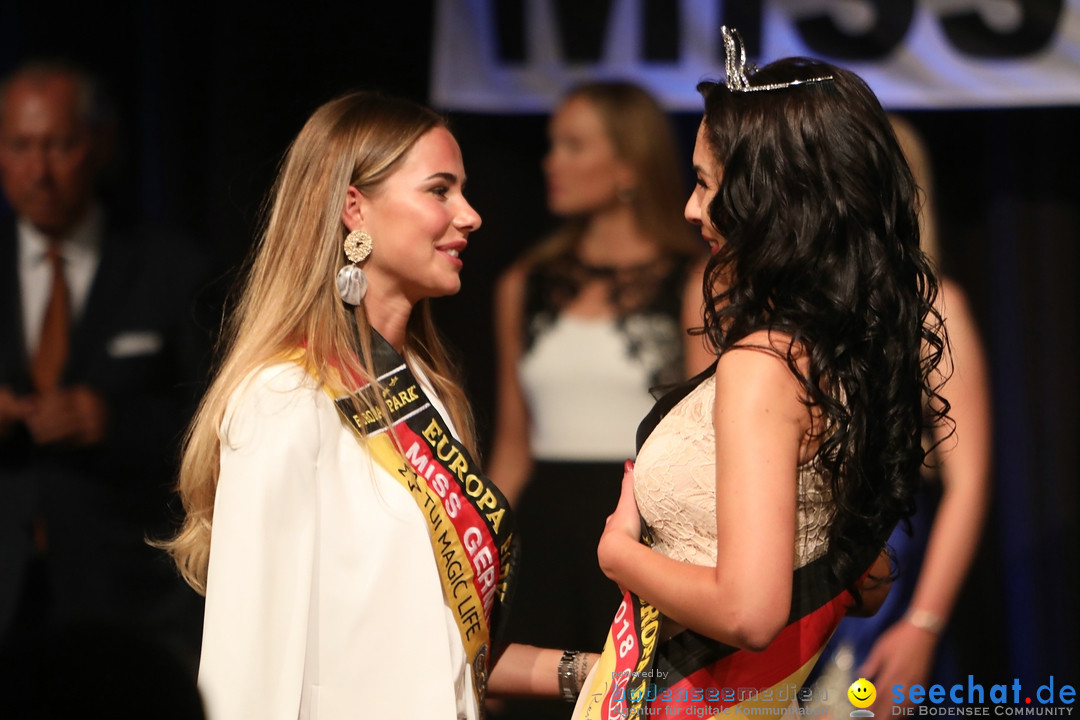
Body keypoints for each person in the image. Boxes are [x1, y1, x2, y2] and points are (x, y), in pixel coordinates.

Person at [164, 90, 600, 720]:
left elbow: (437, 648)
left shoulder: (424, 389)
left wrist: (587, 671)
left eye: (463, 190)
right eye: (440, 190)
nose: (471, 215)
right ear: (354, 209)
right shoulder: (285, 398)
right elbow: (245, 667)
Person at [572, 29, 948, 719]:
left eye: (707, 185)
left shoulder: (763, 367)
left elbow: (750, 614)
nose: (690, 208)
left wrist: (617, 552)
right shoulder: (834, 354)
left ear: (774, 203)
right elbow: (867, 584)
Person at [488, 81, 709, 718]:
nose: (550, 161)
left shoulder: (692, 282)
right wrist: (480, 557)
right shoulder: (525, 283)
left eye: (573, 145)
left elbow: (701, 443)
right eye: (553, 144)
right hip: (540, 537)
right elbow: (512, 445)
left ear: (627, 163)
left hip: (638, 530)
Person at [0, 60, 208, 674]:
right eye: (20, 146)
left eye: (59, 145)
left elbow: (214, 428)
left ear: (100, 143)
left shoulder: (172, 269)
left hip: (125, 601)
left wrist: (111, 421)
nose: (39, 171)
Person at [804, 115, 992, 716]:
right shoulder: (788, 306)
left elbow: (968, 485)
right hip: (791, 580)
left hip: (885, 585)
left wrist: (923, 623)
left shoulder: (934, 308)